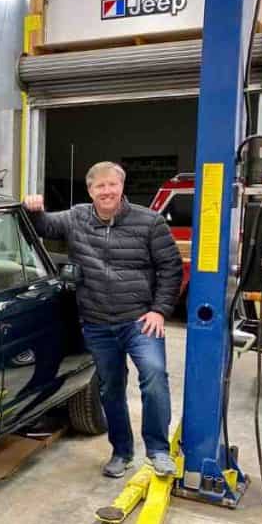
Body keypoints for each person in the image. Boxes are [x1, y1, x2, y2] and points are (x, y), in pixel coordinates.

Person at [23, 161, 183, 478]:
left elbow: (171, 268)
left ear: (121, 187)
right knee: (110, 388)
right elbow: (44, 227)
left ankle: (158, 450)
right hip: (97, 323)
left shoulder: (149, 222)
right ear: (91, 190)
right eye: (100, 186)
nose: (107, 191)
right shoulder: (77, 217)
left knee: (154, 377)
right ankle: (121, 452)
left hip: (140, 320)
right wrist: (34, 209)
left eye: (112, 184)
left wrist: (160, 310)